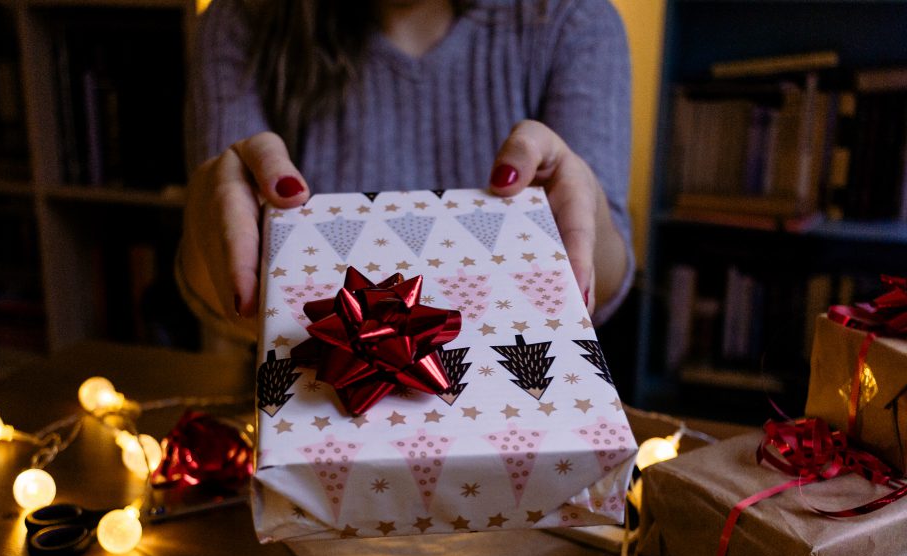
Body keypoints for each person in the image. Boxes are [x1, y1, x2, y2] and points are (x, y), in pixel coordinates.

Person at [177, 0, 634, 346]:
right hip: (308, 406)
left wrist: (585, 205)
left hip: (519, 418)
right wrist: (205, 226)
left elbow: (607, 286)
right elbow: (222, 299)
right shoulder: (242, 18)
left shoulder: (573, 19)